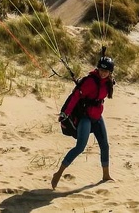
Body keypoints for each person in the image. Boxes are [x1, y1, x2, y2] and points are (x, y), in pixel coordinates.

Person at [51, 56, 115, 189]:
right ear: (98, 69)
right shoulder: (90, 82)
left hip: (97, 117)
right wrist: (66, 113)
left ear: (110, 72)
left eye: (106, 71)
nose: (103, 73)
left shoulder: (108, 82)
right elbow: (75, 97)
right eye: (101, 70)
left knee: (105, 145)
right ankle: (58, 173)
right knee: (80, 147)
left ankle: (106, 175)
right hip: (85, 118)